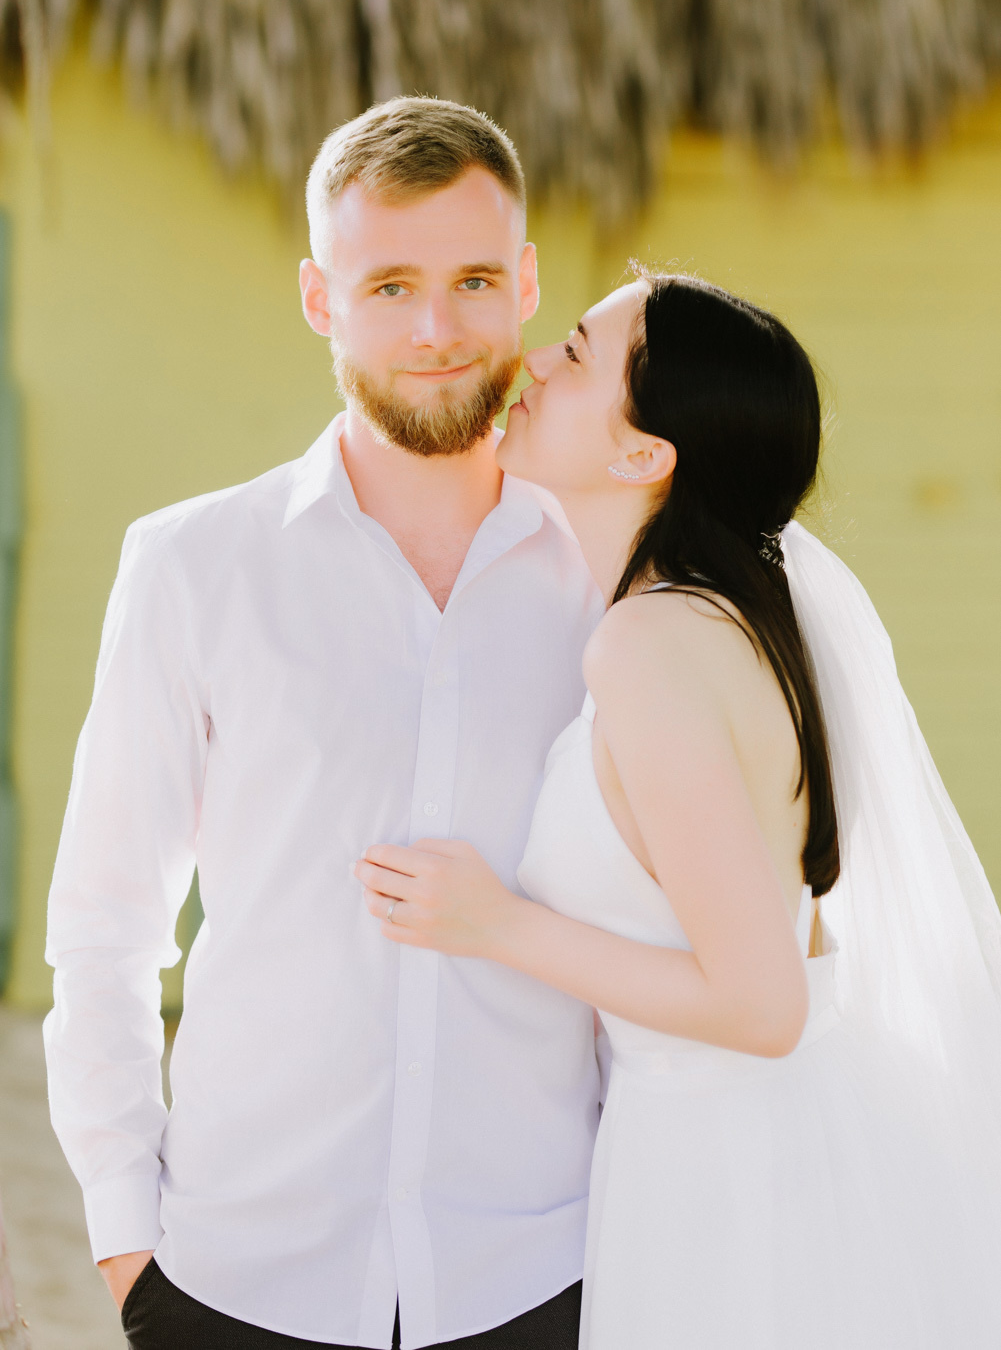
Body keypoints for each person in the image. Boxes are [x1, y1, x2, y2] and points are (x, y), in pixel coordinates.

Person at [43, 98, 606, 1350]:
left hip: (543, 1272)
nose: (435, 329)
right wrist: (130, 1244)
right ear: (318, 299)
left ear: (523, 282)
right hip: (238, 1281)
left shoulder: (612, 579)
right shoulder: (193, 566)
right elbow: (102, 931)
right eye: (389, 284)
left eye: (469, 279)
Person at [355, 273, 1001, 1348]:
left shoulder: (648, 645)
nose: (532, 366)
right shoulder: (716, 620)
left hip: (737, 1174)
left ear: (641, 455)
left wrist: (490, 924)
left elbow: (760, 1005)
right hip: (745, 1143)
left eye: (572, 355)